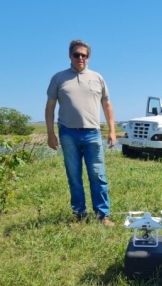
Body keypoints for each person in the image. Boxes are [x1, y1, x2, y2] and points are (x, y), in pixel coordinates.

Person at [45, 39, 117, 226]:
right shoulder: (59, 78)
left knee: (97, 175)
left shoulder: (97, 78)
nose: (80, 58)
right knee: (74, 176)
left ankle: (103, 215)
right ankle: (79, 214)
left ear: (88, 57)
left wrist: (112, 131)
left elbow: (107, 105)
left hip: (92, 133)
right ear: (70, 55)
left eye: (84, 55)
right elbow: (50, 106)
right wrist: (50, 133)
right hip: (68, 133)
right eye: (76, 54)